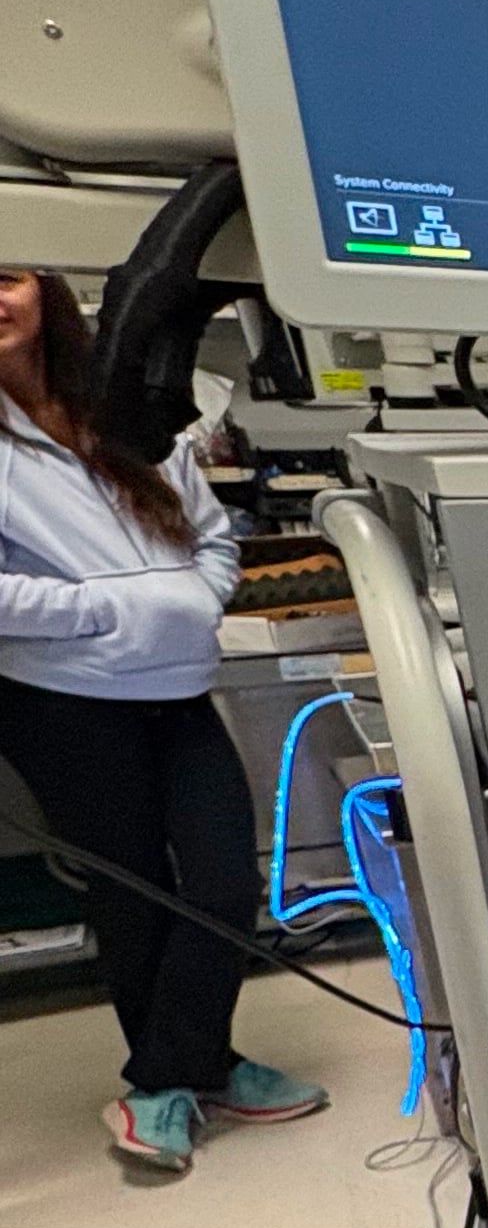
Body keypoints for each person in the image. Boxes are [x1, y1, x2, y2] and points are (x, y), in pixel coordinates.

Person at [0, 268, 325, 1173]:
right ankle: (178, 1081)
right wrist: (107, 611)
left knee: (222, 876)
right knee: (132, 888)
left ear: (50, 294)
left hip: (175, 682)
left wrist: (192, 595)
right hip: (61, 695)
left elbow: (212, 535)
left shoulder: (134, 412)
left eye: (6, 277)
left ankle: (178, 1072)